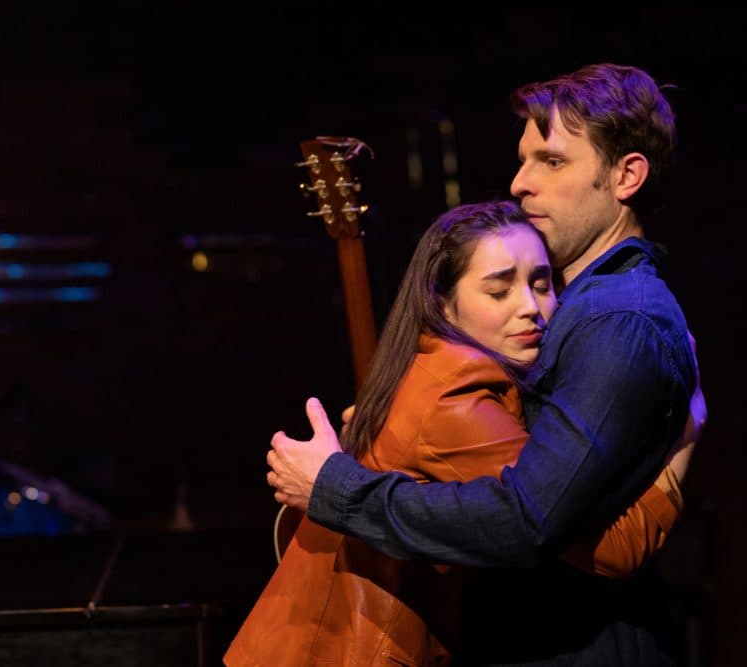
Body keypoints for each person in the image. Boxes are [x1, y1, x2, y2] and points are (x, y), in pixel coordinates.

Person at [266, 63, 702, 664]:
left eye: (551, 161)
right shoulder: (577, 314)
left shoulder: (614, 320)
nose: (521, 183)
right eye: (523, 160)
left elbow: (529, 518)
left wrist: (336, 488)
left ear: (626, 175)